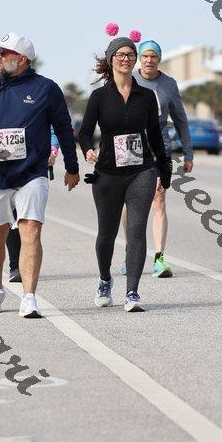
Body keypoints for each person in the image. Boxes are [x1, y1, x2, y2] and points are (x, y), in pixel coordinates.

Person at [0, 32, 79, 318]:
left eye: (4, 52)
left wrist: (72, 167)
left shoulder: (46, 89)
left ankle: (29, 297)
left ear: (22, 59)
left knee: (31, 229)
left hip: (32, 172)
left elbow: (64, 128)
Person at [78, 32, 172, 312]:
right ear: (111, 60)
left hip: (141, 171)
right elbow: (84, 133)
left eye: (131, 55)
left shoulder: (147, 96)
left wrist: (164, 169)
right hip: (107, 173)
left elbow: (155, 135)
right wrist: (88, 150)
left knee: (136, 231)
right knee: (106, 234)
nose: (126, 59)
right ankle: (105, 280)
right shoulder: (99, 96)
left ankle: (132, 292)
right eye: (121, 55)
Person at [120, 40, 194, 278]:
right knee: (129, 204)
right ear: (139, 59)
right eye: (145, 56)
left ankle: (159, 259)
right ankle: (131, 253)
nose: (149, 60)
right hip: (131, 148)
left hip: (160, 148)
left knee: (159, 201)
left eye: (153, 56)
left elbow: (180, 119)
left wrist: (188, 152)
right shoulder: (127, 78)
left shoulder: (169, 84)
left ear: (159, 59)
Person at [0, 127, 60, 284]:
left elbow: (52, 128)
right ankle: (15, 267)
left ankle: (24, 272)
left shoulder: (38, 109)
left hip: (31, 169)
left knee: (28, 223)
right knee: (11, 220)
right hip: (4, 170)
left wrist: (53, 150)